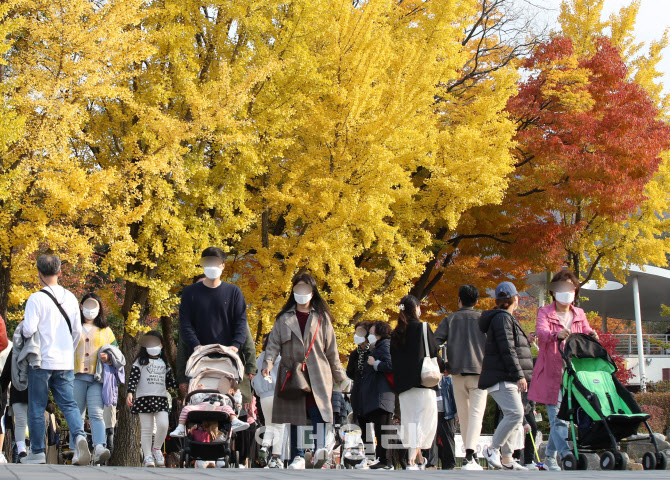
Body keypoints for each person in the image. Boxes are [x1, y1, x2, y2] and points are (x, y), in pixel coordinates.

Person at [261, 273, 347, 470]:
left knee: (318, 411)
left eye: (306, 289)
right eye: (298, 288)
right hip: (292, 372)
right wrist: (268, 364)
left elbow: (332, 350)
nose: (302, 293)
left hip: (318, 371)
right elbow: (272, 345)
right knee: (295, 414)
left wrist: (340, 377)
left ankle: (318, 450)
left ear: (313, 292)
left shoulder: (322, 318)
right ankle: (298, 455)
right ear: (293, 291)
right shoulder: (283, 318)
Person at [20, 255, 89, 465]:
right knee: (69, 404)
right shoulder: (70, 297)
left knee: (37, 405)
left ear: (39, 273)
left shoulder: (36, 298)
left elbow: (29, 329)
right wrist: (69, 348)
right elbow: (77, 330)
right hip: (65, 360)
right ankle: (79, 437)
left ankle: (38, 452)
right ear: (60, 272)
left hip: (41, 361)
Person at [527, 270, 597, 471]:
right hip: (551, 372)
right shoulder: (545, 312)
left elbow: (585, 332)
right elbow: (541, 332)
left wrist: (592, 335)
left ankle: (548, 457)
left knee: (563, 420)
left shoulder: (579, 313)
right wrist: (556, 334)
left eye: (570, 288)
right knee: (557, 419)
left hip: (574, 374)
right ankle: (566, 455)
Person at [478, 281, 533, 471]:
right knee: (515, 413)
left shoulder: (505, 318)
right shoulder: (503, 319)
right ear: (514, 299)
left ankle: (508, 458)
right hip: (502, 376)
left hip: (506, 376)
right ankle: (492, 449)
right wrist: (519, 375)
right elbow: (507, 349)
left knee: (516, 416)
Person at [434, 284, 487, 470]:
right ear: (477, 301)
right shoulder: (483, 319)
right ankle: (470, 455)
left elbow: (433, 345)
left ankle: (469, 455)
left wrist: (443, 366)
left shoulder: (450, 319)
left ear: (459, 300)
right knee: (475, 414)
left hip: (456, 373)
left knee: (464, 416)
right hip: (480, 373)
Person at [390, 294, 443, 470]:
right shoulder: (422, 327)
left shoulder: (396, 333)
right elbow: (434, 352)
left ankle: (419, 459)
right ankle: (411, 461)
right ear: (416, 309)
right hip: (423, 382)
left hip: (404, 386)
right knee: (423, 421)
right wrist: (445, 367)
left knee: (410, 421)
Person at [72, 292, 117, 465]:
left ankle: (99, 446)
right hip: (76, 376)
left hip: (97, 378)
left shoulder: (106, 330)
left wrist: (108, 357)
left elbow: (116, 352)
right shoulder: (74, 327)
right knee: (77, 414)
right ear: (81, 306)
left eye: (94, 306)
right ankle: (78, 449)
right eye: (87, 305)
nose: (90, 310)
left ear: (99, 309)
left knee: (97, 413)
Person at [126, 331, 177, 467]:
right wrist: (130, 392)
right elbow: (133, 378)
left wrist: (181, 387)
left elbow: (171, 382)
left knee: (163, 424)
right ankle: (147, 456)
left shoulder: (164, 363)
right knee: (147, 428)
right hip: (144, 398)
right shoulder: (139, 362)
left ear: (162, 345)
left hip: (161, 398)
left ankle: (157, 449)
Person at [356, 320, 394, 470]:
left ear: (379, 333)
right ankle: (382, 459)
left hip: (381, 394)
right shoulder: (378, 346)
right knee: (380, 428)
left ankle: (386, 460)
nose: (369, 336)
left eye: (371, 333)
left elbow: (391, 364)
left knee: (383, 428)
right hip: (377, 394)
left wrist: (376, 364)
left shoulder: (385, 345)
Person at [251, 334, 285, 468]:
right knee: (280, 426)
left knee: (270, 425)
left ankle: (265, 446)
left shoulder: (260, 358)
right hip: (279, 395)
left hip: (264, 396)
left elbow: (253, 379)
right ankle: (276, 457)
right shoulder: (281, 358)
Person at [345, 319, 371, 464]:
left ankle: (375, 454)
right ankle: (364, 453)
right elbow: (349, 372)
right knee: (360, 422)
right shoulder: (355, 353)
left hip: (370, 391)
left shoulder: (373, 350)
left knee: (374, 422)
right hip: (358, 390)